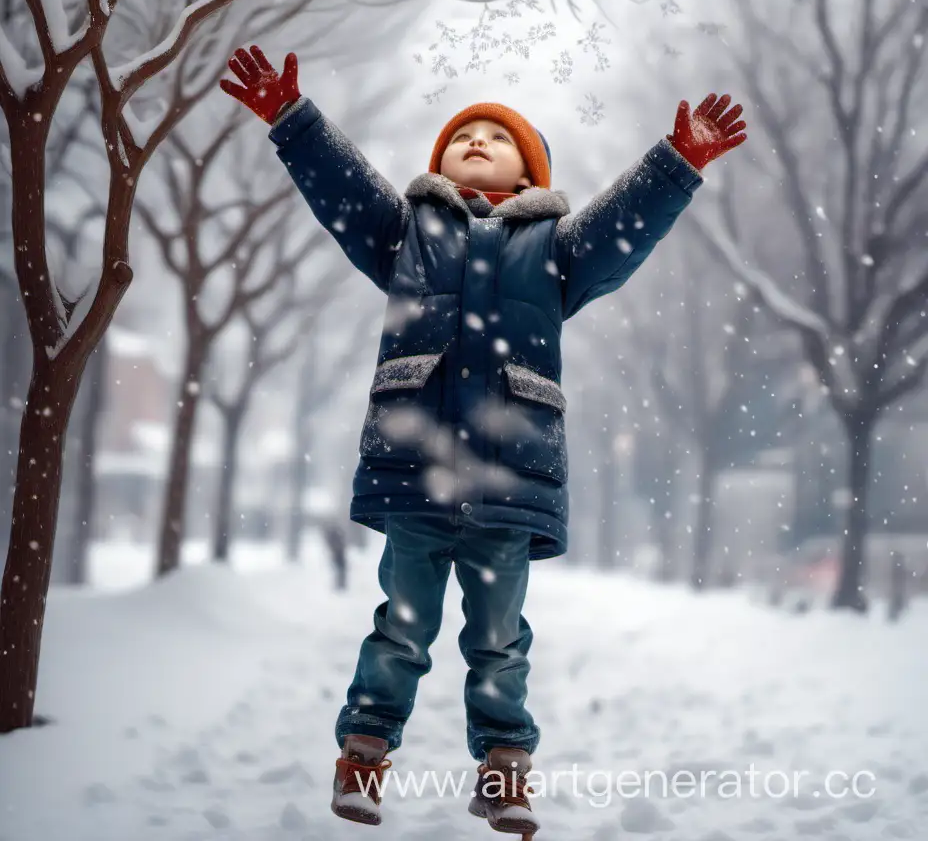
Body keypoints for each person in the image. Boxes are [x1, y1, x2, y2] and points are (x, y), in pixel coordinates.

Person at [220, 45, 748, 835]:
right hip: (416, 475)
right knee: (401, 626)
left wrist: (677, 162)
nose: (475, 140)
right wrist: (292, 121)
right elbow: (344, 189)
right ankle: (362, 757)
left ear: (528, 174)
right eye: (462, 134)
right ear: (440, 165)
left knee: (500, 642)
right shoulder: (408, 234)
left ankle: (505, 772)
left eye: (494, 138)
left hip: (510, 482)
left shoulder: (556, 249)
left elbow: (623, 229)